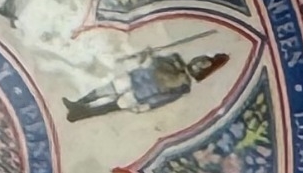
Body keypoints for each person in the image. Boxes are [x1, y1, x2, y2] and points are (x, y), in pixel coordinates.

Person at [66, 47, 232, 122]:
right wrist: (147, 55)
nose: (199, 65)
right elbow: (152, 61)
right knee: (105, 89)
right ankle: (78, 103)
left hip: (143, 94)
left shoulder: (184, 86)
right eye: (201, 61)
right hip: (137, 77)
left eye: (203, 67)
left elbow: (164, 99)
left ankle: (82, 114)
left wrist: (148, 106)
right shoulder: (174, 59)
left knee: (113, 106)